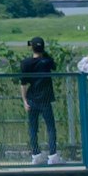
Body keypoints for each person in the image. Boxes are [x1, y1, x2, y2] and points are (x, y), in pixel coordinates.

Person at [17, 35, 60, 164]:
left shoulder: (26, 63)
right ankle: (53, 155)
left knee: (33, 128)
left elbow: (23, 84)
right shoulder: (47, 62)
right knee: (51, 128)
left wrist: (24, 100)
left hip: (32, 98)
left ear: (32, 48)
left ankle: (36, 154)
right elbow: (54, 65)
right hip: (46, 99)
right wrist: (44, 52)